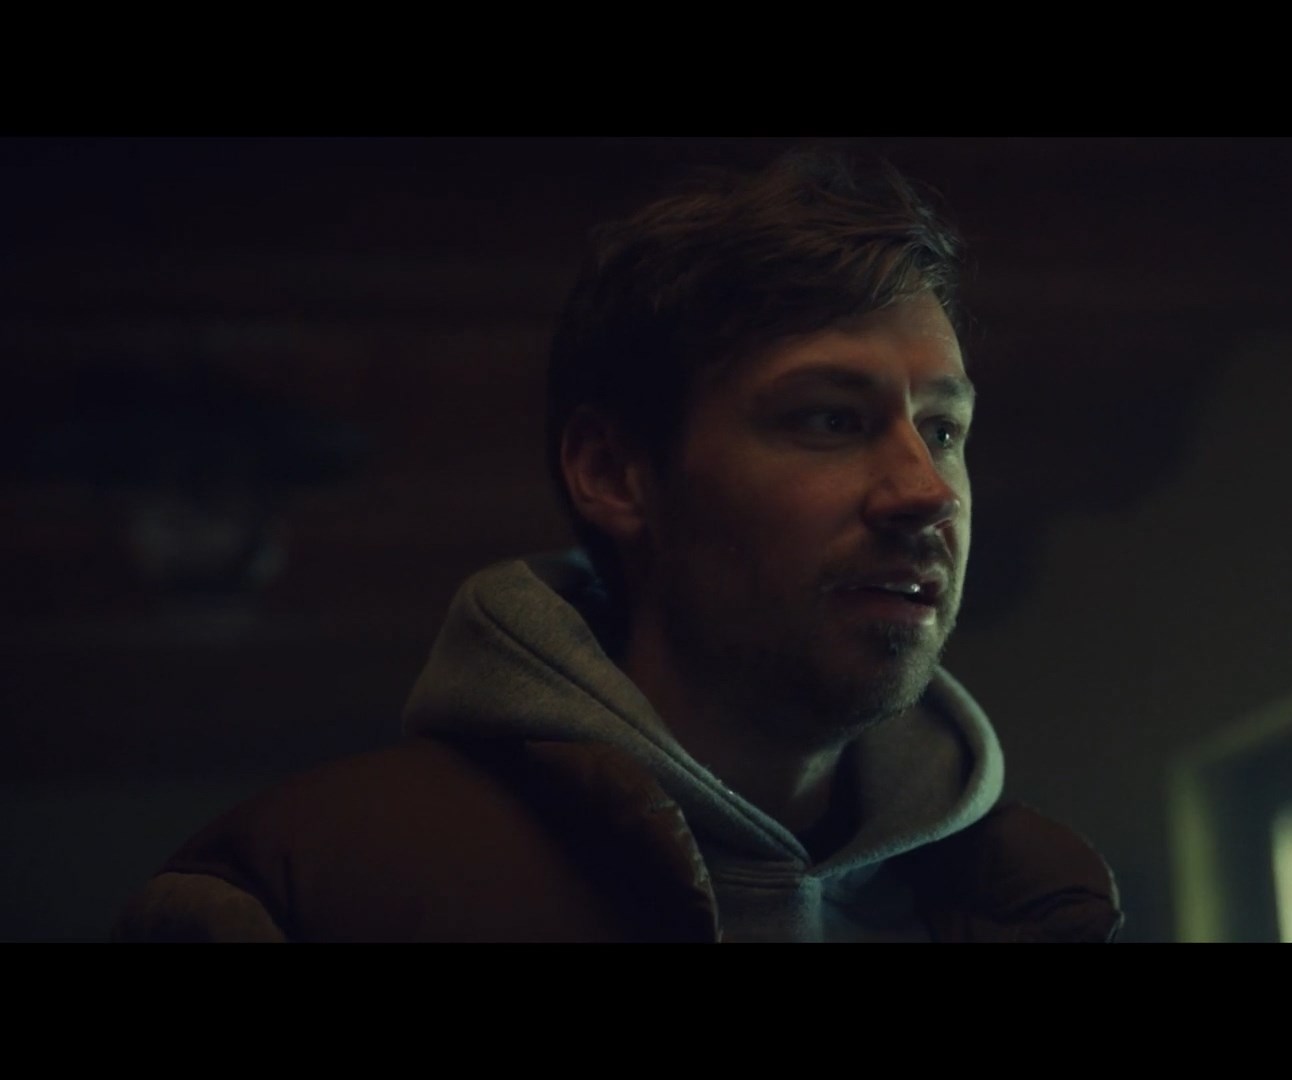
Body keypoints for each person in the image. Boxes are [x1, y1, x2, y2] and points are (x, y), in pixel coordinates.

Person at [112, 151, 1123, 942]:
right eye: (827, 418)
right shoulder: (303, 899)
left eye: (942, 429)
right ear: (614, 473)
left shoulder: (1037, 903)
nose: (924, 491)